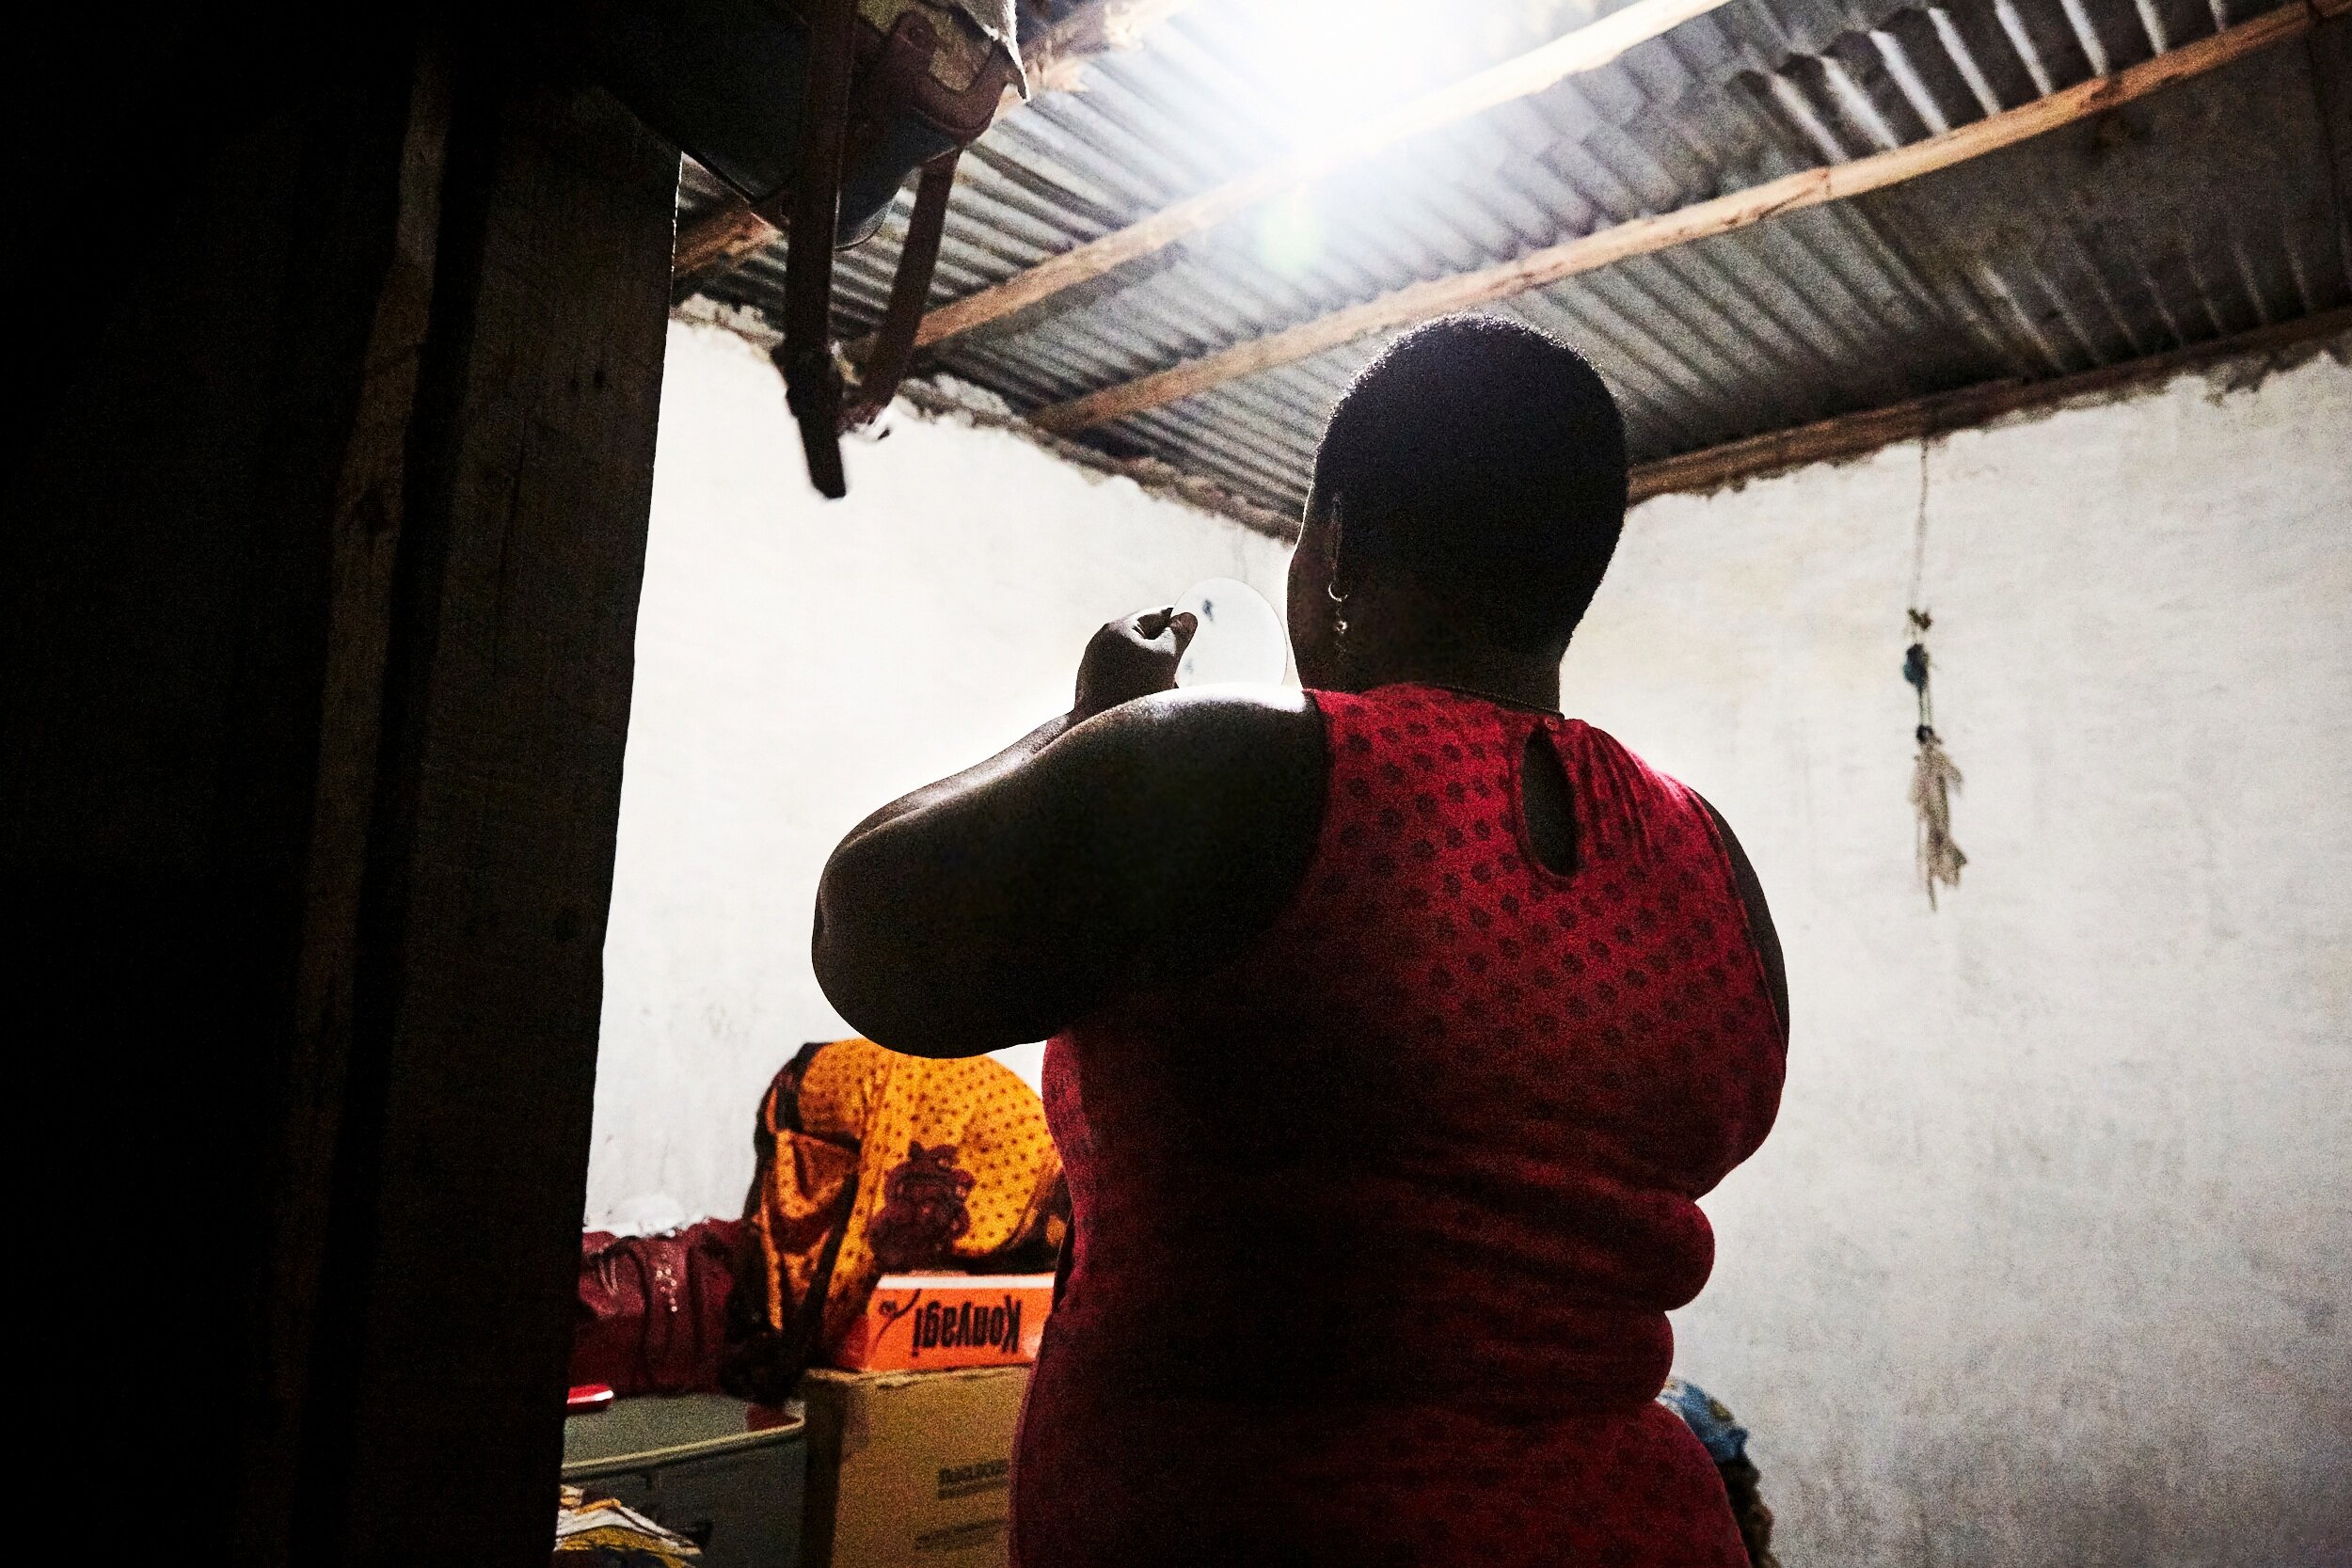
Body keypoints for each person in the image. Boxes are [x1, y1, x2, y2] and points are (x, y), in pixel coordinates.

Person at [812, 313, 1789, 1567]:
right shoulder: (1710, 863)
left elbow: (867, 930)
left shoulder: (1260, 764)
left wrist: (1085, 723)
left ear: (1337, 545)